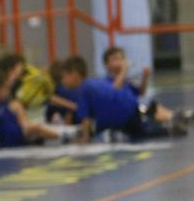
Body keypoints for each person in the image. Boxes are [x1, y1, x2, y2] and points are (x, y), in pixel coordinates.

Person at [56, 55, 184, 140]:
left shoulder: (83, 90)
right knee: (137, 128)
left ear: (74, 74)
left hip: (123, 114)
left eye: (64, 77)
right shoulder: (94, 82)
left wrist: (84, 140)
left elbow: (86, 121)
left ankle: (168, 129)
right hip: (129, 106)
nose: (63, 81)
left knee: (139, 133)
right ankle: (162, 120)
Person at [102, 46, 194, 126]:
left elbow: (141, 93)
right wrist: (124, 71)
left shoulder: (125, 81)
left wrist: (144, 78)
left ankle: (175, 116)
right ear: (106, 65)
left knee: (151, 103)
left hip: (135, 109)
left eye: (121, 58)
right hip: (124, 114)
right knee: (147, 107)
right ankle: (174, 118)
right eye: (115, 59)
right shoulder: (106, 82)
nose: (120, 62)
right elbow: (113, 92)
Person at [0, 69, 61, 151]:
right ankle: (62, 135)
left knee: (34, 128)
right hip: (11, 140)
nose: (7, 91)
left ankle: (60, 135)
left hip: (18, 136)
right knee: (35, 128)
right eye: (5, 88)